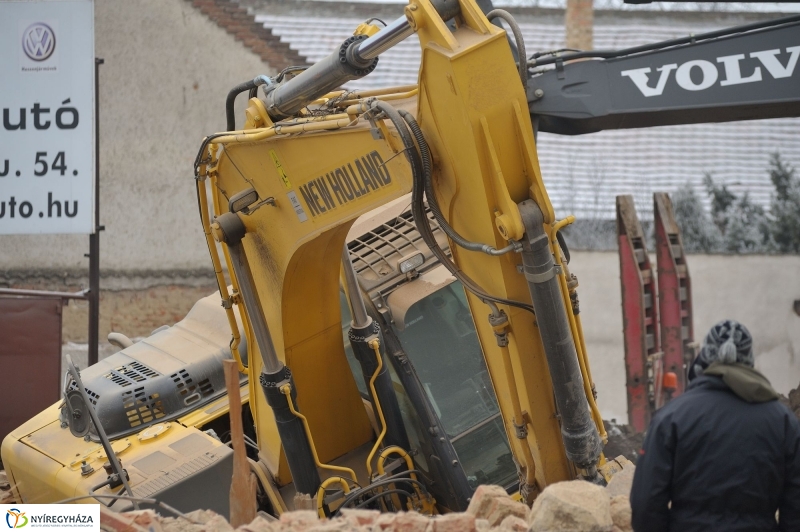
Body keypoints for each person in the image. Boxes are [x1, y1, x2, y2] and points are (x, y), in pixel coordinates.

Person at [630, 319, 800, 532]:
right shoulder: (783, 422)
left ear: (706, 358)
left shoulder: (672, 417)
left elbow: (646, 503)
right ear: (750, 361)